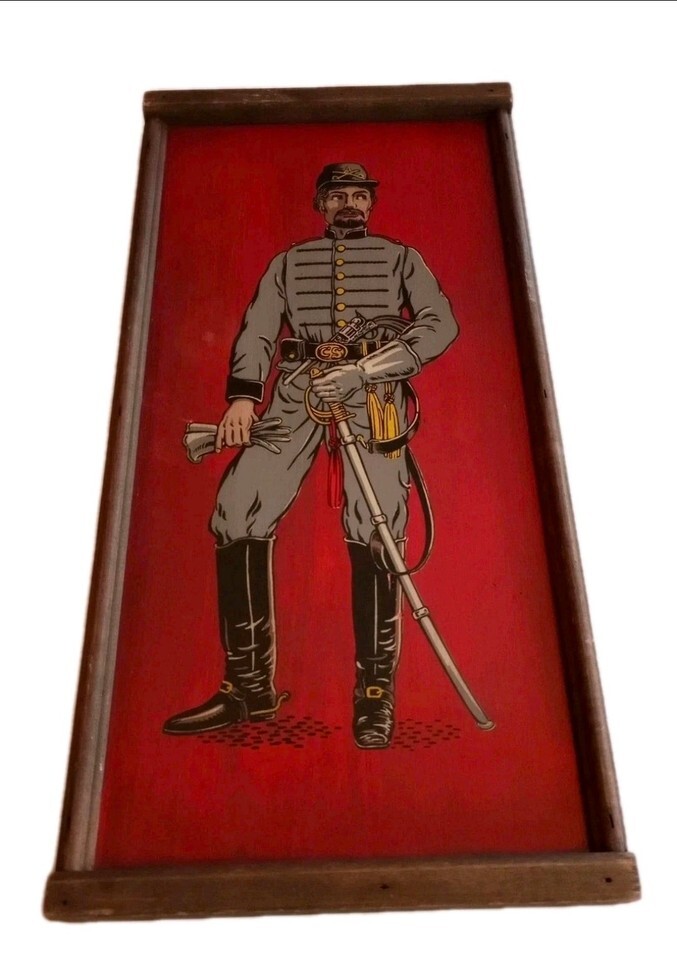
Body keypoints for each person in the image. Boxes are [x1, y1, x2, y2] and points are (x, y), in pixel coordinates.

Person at [163, 162, 459, 748]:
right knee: (237, 510)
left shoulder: (401, 259)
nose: (349, 203)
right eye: (337, 195)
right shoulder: (288, 263)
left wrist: (366, 370)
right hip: (296, 390)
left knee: (377, 526)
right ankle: (248, 688)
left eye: (359, 195)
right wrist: (243, 399)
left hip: (375, 396)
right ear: (320, 204)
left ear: (370, 204)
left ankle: (374, 694)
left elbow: (439, 324)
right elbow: (258, 330)